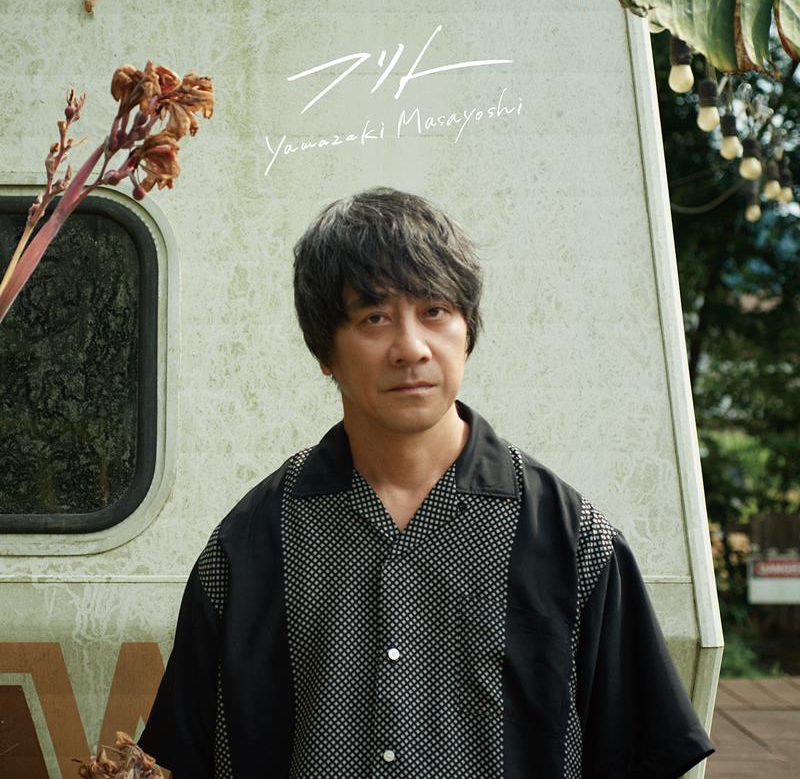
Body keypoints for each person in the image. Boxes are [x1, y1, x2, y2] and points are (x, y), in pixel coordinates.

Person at [138, 187, 716, 778]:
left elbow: (637, 755)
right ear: (323, 350)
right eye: (374, 317)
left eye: (435, 311)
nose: (411, 348)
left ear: (468, 331)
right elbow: (178, 759)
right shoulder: (251, 543)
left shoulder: (573, 541)